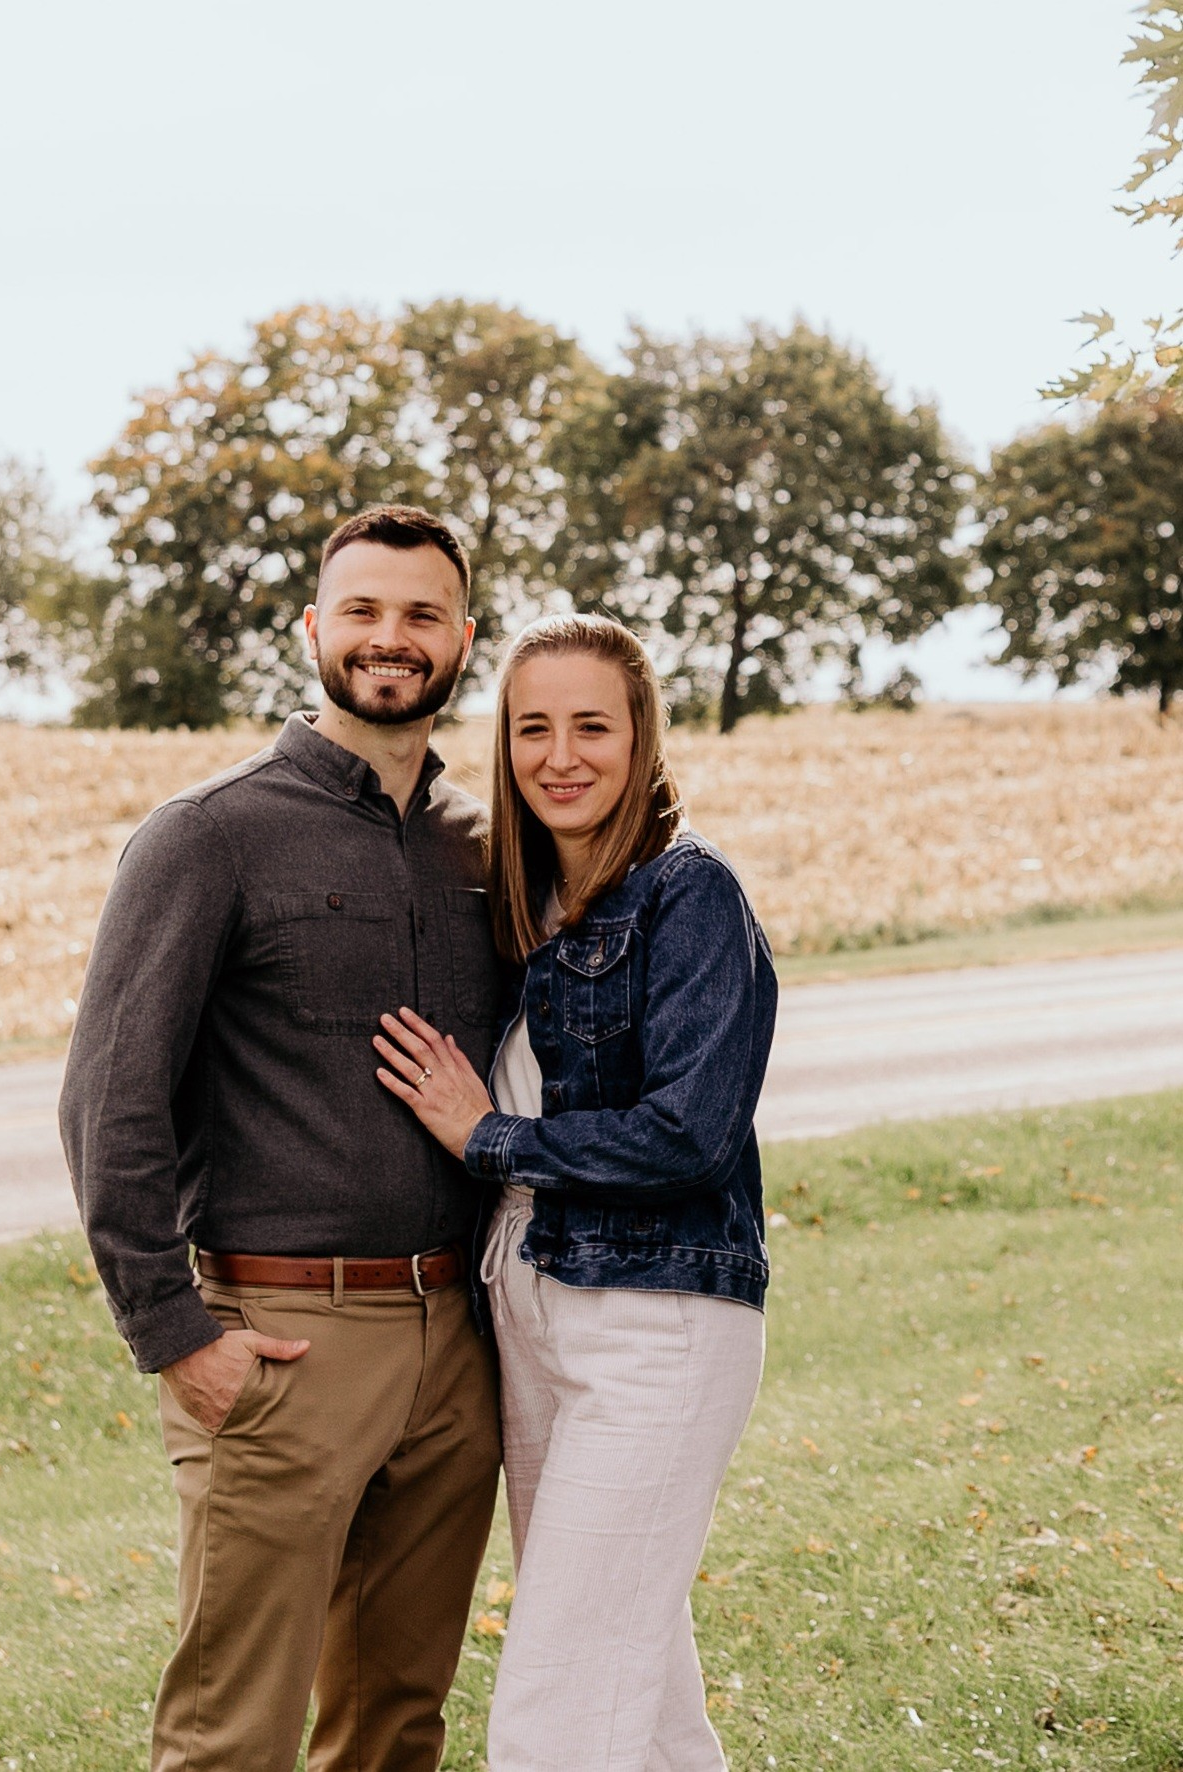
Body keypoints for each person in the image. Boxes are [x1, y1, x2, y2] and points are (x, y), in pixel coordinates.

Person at [59, 506, 502, 1772]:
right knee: (229, 1733)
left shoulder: (484, 842)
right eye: (361, 610)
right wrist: (174, 1337)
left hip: (454, 1351)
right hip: (285, 1342)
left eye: (422, 614)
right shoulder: (210, 834)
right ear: (314, 629)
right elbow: (108, 1097)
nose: (391, 638)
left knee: (395, 1721)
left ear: (462, 638)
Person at [375, 613, 778, 1772]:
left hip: (655, 1321)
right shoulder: (532, 900)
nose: (559, 754)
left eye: (590, 725)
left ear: (641, 737)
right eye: (531, 727)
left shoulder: (686, 895)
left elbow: (686, 1133)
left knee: (556, 1711)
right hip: (535, 1312)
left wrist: (485, 1133)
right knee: (636, 1698)